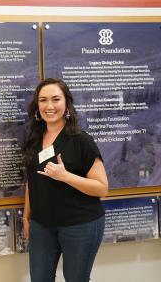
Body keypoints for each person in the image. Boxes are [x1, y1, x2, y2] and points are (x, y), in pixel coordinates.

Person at [22, 78, 108, 282]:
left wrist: (65, 176)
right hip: (42, 224)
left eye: (55, 99)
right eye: (43, 100)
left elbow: (102, 188)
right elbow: (32, 180)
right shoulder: (35, 138)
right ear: (37, 106)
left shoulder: (80, 140)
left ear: (67, 104)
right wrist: (27, 217)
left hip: (79, 224)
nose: (49, 106)